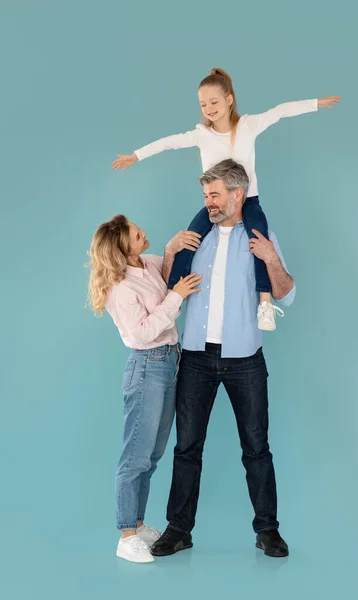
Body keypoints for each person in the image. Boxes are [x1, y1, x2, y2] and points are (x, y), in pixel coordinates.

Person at [112, 67, 339, 330]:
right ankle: (172, 292)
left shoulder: (248, 126)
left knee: (260, 242)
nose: (208, 108)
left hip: (248, 201)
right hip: (214, 205)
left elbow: (279, 111)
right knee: (189, 240)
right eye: (203, 104)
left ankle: (265, 303)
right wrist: (135, 156)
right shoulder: (201, 135)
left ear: (229, 100)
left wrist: (316, 104)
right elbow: (168, 142)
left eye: (214, 102)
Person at [151, 159, 295, 559]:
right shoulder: (197, 239)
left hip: (245, 359)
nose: (208, 202)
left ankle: (267, 530)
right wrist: (168, 252)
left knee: (256, 449)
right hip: (196, 358)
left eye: (214, 194)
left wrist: (270, 258)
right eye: (205, 196)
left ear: (237, 195)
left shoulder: (261, 236)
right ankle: (179, 530)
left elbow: (285, 291)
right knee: (186, 449)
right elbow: (167, 289)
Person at [87, 214, 202, 563]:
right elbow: (141, 332)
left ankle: (137, 523)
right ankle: (126, 536)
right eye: (138, 235)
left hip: (170, 362)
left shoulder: (145, 264)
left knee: (151, 456)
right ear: (124, 249)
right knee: (134, 457)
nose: (144, 234)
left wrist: (170, 248)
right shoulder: (122, 287)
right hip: (147, 365)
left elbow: (165, 272)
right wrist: (177, 297)